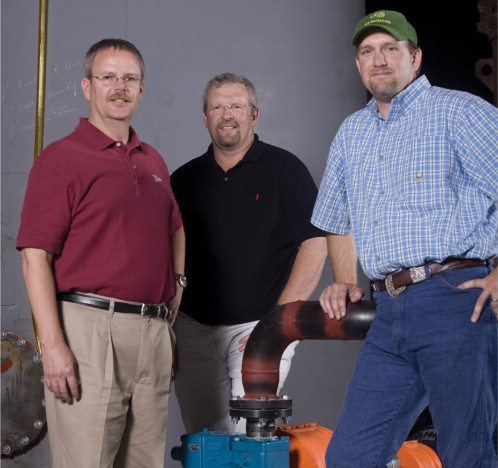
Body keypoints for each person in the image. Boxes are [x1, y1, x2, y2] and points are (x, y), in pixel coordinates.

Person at [312, 10, 498, 468]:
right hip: (387, 310)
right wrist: (342, 278)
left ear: (414, 57)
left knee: (466, 455)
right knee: (350, 457)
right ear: (358, 64)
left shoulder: (461, 111)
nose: (379, 59)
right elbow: (338, 217)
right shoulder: (351, 132)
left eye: (390, 49)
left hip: (455, 300)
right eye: (368, 51)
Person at [17, 39, 184, 468]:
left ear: (142, 89)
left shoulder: (154, 162)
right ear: (86, 86)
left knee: (146, 462)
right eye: (107, 77)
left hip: (152, 330)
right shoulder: (61, 159)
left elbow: (175, 228)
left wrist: (177, 287)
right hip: (89, 329)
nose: (119, 87)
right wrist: (52, 345)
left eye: (129, 78)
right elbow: (35, 256)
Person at [171, 73, 327, 433]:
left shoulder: (285, 170)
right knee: (202, 438)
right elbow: (166, 252)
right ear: (205, 117)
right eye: (217, 107)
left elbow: (315, 243)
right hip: (193, 329)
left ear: (254, 115)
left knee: (245, 434)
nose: (227, 114)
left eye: (236, 106)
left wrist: (277, 321)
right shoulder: (182, 179)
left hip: (258, 326)